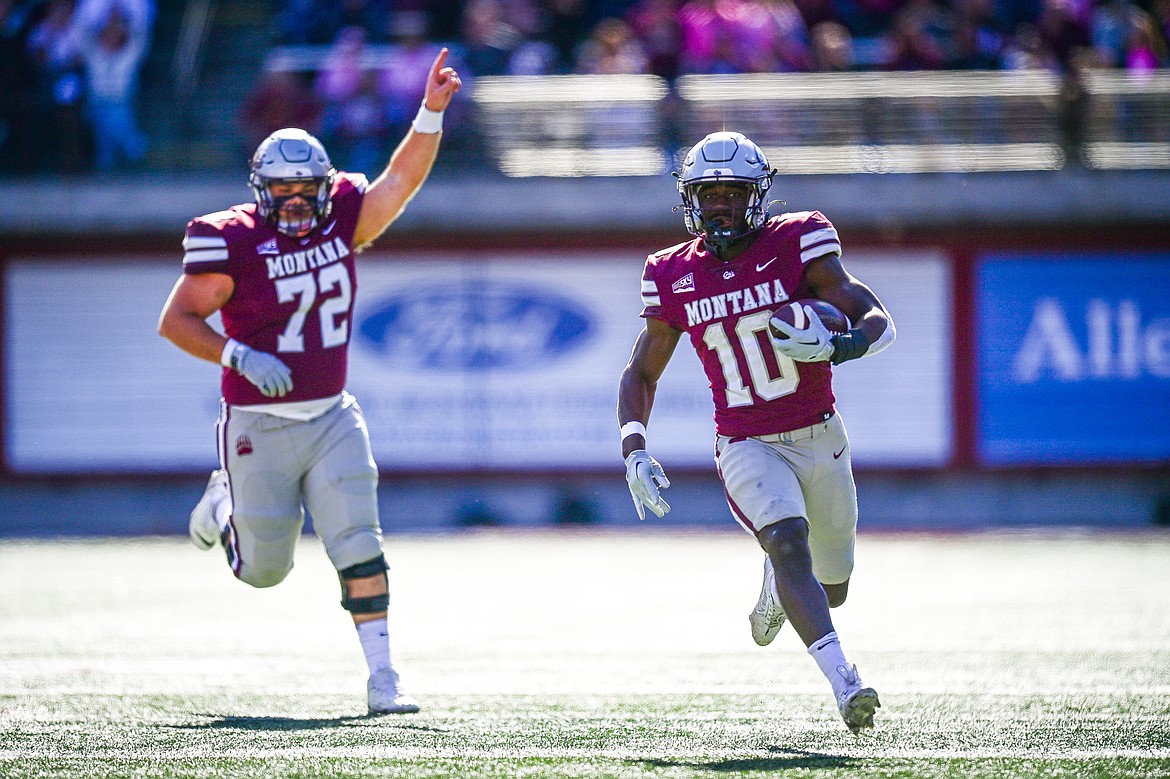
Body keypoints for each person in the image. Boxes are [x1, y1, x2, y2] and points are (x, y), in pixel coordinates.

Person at [157, 49, 461, 715]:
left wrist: (430, 111)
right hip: (257, 423)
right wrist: (237, 355)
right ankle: (224, 505)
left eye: (306, 191)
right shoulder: (229, 238)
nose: (296, 204)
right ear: (260, 190)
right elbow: (175, 321)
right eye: (283, 193)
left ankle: (384, 677)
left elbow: (398, 185)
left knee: (360, 538)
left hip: (330, 416)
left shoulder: (345, 214)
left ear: (324, 186)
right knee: (265, 571)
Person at [617, 131, 895, 733]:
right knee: (788, 541)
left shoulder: (797, 241)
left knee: (834, 585)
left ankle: (779, 579)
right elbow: (641, 369)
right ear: (689, 198)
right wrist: (634, 446)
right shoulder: (672, 272)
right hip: (744, 440)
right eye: (706, 192)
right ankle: (846, 683)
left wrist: (843, 345)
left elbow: (873, 316)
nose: (718, 204)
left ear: (757, 194)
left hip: (820, 433)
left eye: (732, 191)